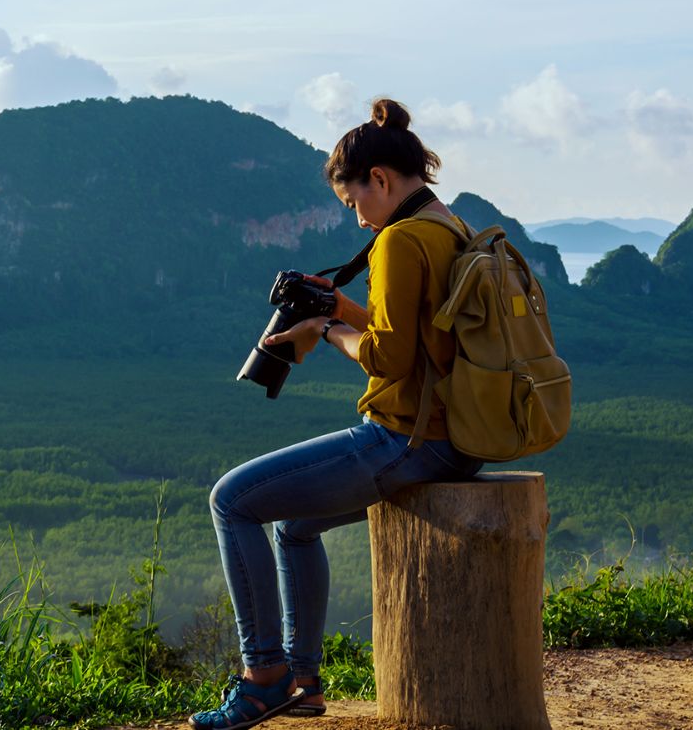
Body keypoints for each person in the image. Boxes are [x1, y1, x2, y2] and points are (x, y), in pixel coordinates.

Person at [189, 97, 485, 730]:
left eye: (354, 203)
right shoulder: (447, 223)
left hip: (407, 440)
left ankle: (263, 676)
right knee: (294, 525)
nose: (357, 220)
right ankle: (303, 680)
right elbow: (415, 332)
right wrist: (342, 307)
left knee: (232, 500)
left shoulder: (400, 241)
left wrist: (321, 334)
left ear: (378, 180)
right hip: (454, 434)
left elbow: (389, 359)